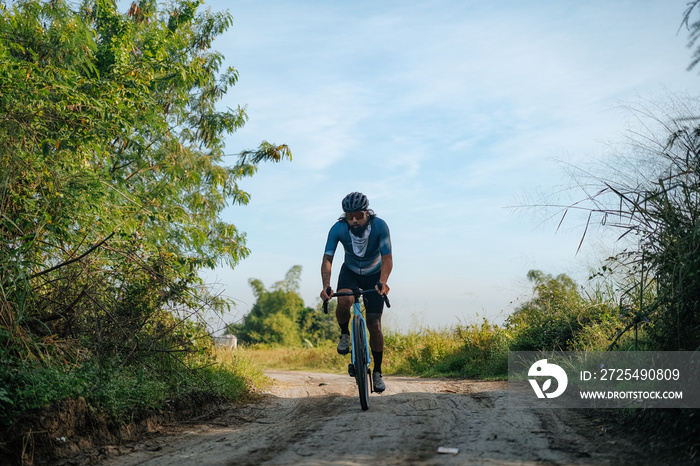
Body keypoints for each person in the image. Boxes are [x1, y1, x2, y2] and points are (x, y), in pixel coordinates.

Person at [320, 192, 393, 393]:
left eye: (358, 215)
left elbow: (387, 258)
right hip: (350, 272)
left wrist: (383, 282)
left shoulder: (380, 227)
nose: (353, 220)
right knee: (344, 301)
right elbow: (327, 259)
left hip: (374, 274)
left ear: (367, 213)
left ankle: (377, 372)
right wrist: (326, 286)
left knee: (374, 325)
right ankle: (345, 334)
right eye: (349, 215)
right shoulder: (338, 228)